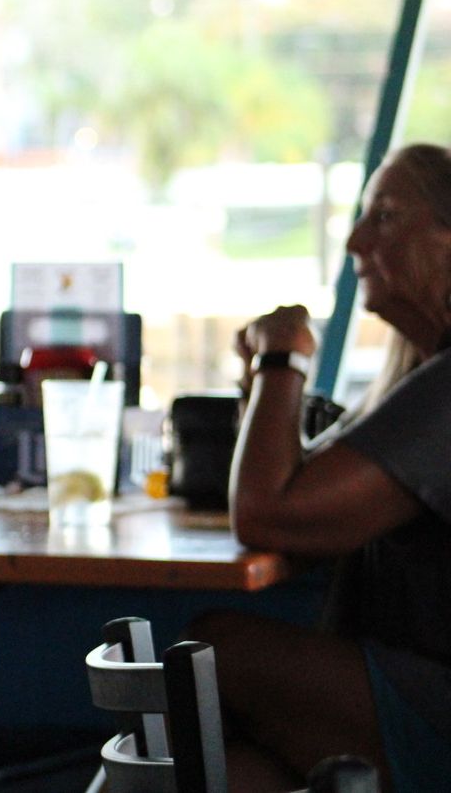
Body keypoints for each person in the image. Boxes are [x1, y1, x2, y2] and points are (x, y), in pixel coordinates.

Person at [188, 142, 451, 793]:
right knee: (236, 773)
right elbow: (299, 477)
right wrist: (263, 383)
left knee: (212, 657)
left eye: (384, 217)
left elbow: (270, 513)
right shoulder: (419, 378)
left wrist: (285, 360)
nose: (356, 241)